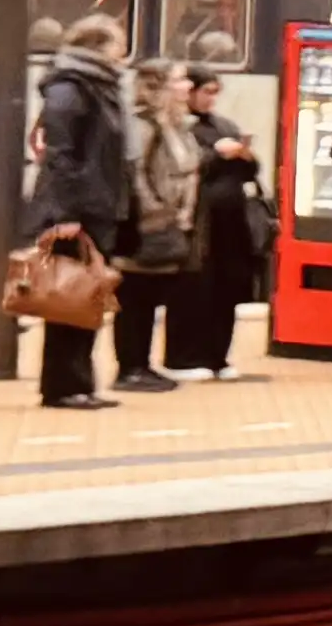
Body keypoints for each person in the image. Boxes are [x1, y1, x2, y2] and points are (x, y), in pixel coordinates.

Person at [21, 15, 139, 412]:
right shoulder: (70, 88)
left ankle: (80, 382)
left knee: (86, 298)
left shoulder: (96, 86)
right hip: (78, 209)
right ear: (100, 47)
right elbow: (61, 155)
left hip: (97, 207)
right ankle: (62, 386)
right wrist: (65, 212)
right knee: (68, 298)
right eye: (119, 45)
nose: (123, 54)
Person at [113, 56, 201, 396]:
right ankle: (129, 368)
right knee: (134, 296)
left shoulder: (177, 125)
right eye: (180, 79)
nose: (188, 86)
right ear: (159, 86)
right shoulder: (144, 125)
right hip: (146, 226)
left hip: (171, 221)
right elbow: (135, 174)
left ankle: (142, 363)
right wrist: (153, 211)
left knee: (150, 296)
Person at [177, 55, 268, 380]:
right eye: (206, 92)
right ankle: (187, 357)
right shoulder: (181, 128)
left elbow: (251, 170)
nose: (211, 99)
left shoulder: (224, 125)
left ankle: (219, 356)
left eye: (215, 92)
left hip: (231, 221)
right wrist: (217, 154)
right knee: (195, 290)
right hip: (200, 221)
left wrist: (245, 155)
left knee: (227, 289)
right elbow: (185, 167)